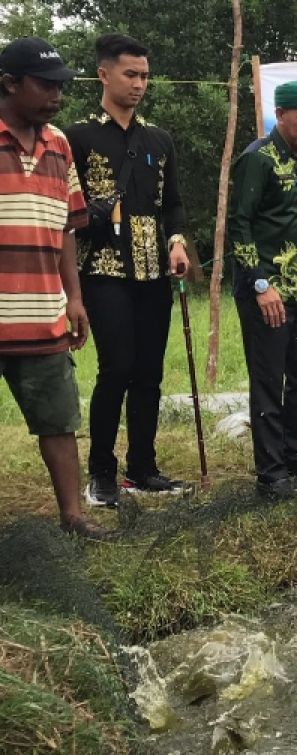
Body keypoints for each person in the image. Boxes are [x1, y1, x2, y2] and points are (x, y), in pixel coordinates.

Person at [66, 33, 189, 507]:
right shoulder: (75, 136)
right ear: (104, 74)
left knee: (149, 373)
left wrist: (177, 242)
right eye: (130, 74)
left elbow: (174, 205)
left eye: (144, 76)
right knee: (116, 367)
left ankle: (143, 467)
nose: (139, 84)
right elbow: (65, 209)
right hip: (101, 269)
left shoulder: (159, 138)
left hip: (154, 269)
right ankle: (101, 473)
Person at [0, 37, 106, 537]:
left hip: (43, 311)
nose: (58, 95)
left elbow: (67, 227)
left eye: (61, 86)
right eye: (46, 85)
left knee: (60, 422)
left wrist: (76, 297)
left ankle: (73, 517)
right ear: (10, 83)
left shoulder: (60, 144)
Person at [229, 80, 297, 500]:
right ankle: (271, 474)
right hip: (266, 292)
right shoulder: (256, 160)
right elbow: (239, 224)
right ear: (281, 115)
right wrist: (260, 284)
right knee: (268, 381)